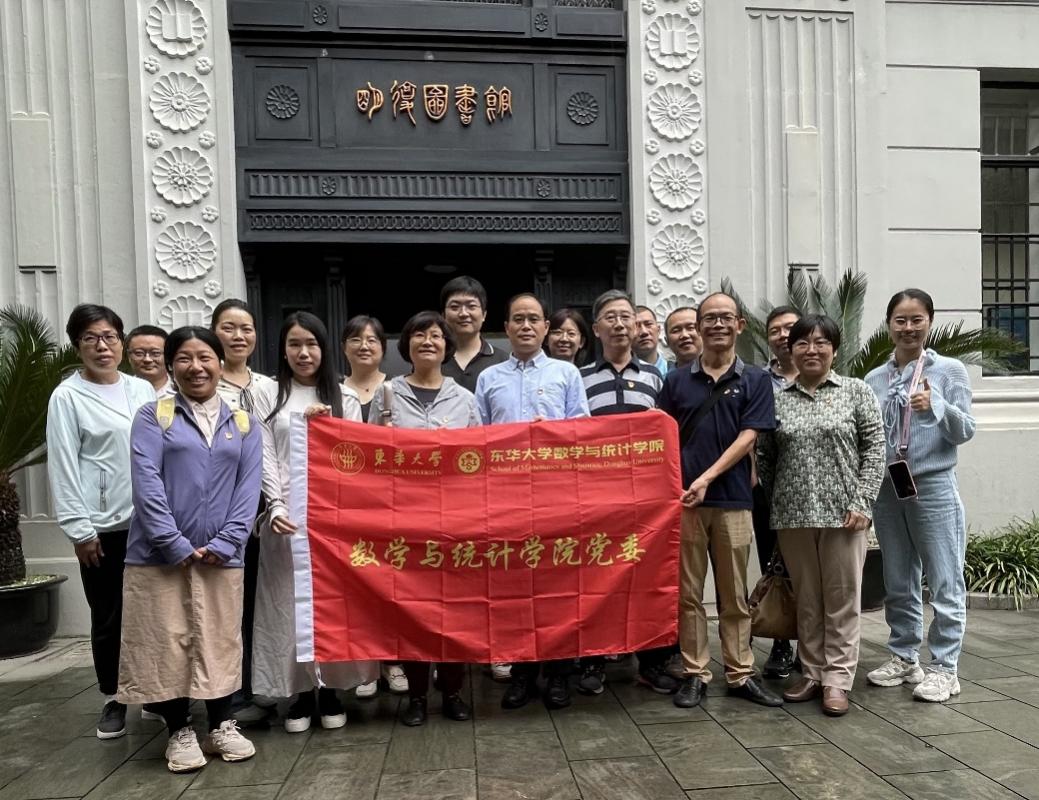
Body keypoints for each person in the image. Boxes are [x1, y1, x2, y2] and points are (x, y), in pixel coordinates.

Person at [117, 326, 262, 772]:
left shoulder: (243, 422)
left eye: (205, 358)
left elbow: (248, 490)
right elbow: (146, 484)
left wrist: (228, 541)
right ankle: (178, 729)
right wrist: (173, 543)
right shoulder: (153, 416)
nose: (196, 367)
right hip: (158, 557)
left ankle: (221, 724)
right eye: (184, 358)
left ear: (220, 363)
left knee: (220, 638)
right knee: (166, 642)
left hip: (222, 557)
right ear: (171, 366)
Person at [252, 312, 378, 731]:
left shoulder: (345, 398)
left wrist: (326, 430)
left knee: (332, 606)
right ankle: (300, 694)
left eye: (311, 344)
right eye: (294, 344)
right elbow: (265, 454)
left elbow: (357, 462)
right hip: (286, 521)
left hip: (332, 521)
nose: (303, 353)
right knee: (287, 607)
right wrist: (274, 506)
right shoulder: (267, 395)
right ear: (283, 350)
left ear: (325, 349)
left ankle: (331, 690)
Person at [657, 293, 783, 709]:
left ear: (740, 325)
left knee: (734, 593)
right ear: (698, 327)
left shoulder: (755, 379)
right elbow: (662, 436)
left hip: (733, 499)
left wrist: (707, 477)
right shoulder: (676, 382)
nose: (717, 325)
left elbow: (750, 435)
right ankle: (695, 672)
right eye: (708, 318)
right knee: (689, 593)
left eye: (725, 317)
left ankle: (740, 672)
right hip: (685, 503)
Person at [757, 315, 885, 716]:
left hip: (845, 515)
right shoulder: (778, 399)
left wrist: (862, 501)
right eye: (803, 343)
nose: (811, 350)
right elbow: (765, 458)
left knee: (842, 599)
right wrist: (779, 504)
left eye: (821, 342)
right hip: (793, 517)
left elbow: (875, 449)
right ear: (791, 350)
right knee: (808, 600)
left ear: (835, 349)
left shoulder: (856, 392)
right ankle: (812, 673)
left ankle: (837, 680)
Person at [46, 304, 156, 739]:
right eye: (91, 338)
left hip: (149, 523)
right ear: (77, 345)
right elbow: (63, 465)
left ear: (121, 342)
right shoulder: (67, 397)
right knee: (109, 616)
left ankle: (153, 691)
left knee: (151, 612)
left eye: (110, 336)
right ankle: (114, 697)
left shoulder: (141, 389)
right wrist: (80, 529)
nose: (102, 346)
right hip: (102, 529)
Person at [476, 292, 590, 709]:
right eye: (518, 319)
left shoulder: (566, 373)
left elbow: (583, 432)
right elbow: (477, 439)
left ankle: (558, 673)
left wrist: (554, 434)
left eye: (533, 319)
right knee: (514, 586)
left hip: (556, 497)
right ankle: (522, 673)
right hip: (505, 499)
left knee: (558, 585)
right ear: (506, 328)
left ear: (546, 328)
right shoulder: (489, 378)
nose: (526, 326)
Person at [368, 311, 480, 726]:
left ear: (447, 346)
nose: (428, 341)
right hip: (405, 521)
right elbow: (370, 456)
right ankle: (416, 696)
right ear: (407, 345)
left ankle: (452, 691)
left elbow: (479, 461)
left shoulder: (464, 399)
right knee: (411, 611)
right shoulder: (386, 396)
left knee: (455, 611)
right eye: (419, 334)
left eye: (436, 335)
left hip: (455, 521)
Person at [865, 289, 975, 703]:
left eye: (916, 320)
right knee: (897, 577)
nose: (908, 328)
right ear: (888, 325)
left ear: (929, 321)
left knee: (945, 578)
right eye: (900, 320)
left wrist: (936, 405)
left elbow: (965, 430)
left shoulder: (949, 371)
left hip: (933, 484)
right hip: (888, 487)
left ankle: (945, 668)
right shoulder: (874, 380)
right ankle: (904, 655)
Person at [578, 290, 676, 697]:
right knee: (596, 578)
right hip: (596, 497)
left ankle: (652, 663)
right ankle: (593, 661)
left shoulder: (657, 377)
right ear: (596, 328)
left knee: (649, 578)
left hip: (647, 500)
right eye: (610, 317)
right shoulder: (579, 377)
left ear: (637, 326)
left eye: (626, 317)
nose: (619, 324)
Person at [210, 299, 277, 726]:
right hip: (222, 511)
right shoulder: (203, 384)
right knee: (225, 606)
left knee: (257, 602)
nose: (239, 336)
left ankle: (259, 687)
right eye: (229, 327)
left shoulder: (270, 386)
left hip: (265, 511)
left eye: (246, 328)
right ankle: (229, 697)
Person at [340, 314, 409, 698]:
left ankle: (394, 660)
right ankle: (366, 663)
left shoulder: (397, 389)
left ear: (384, 348)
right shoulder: (332, 391)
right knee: (358, 585)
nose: (364, 346)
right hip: (350, 505)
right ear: (344, 347)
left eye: (372, 340)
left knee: (393, 584)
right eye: (356, 339)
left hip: (393, 504)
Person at [753, 305, 802, 679]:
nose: (783, 335)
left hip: (811, 491)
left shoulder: (824, 376)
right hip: (766, 490)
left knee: (811, 570)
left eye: (790, 327)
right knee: (773, 565)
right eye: (775, 330)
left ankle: (813, 644)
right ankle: (781, 642)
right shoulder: (757, 380)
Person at [440, 275, 508, 392]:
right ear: (443, 315)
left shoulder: (503, 361)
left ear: (484, 315)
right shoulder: (432, 358)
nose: (463, 313)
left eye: (471, 306)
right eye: (455, 307)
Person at [125, 325, 174, 397]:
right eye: (139, 353)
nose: (147, 359)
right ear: (129, 356)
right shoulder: (120, 391)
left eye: (155, 353)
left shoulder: (184, 391)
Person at [634, 306, 671, 375]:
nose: (644, 332)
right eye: (635, 327)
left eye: (648, 324)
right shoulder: (620, 375)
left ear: (658, 330)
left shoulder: (675, 372)